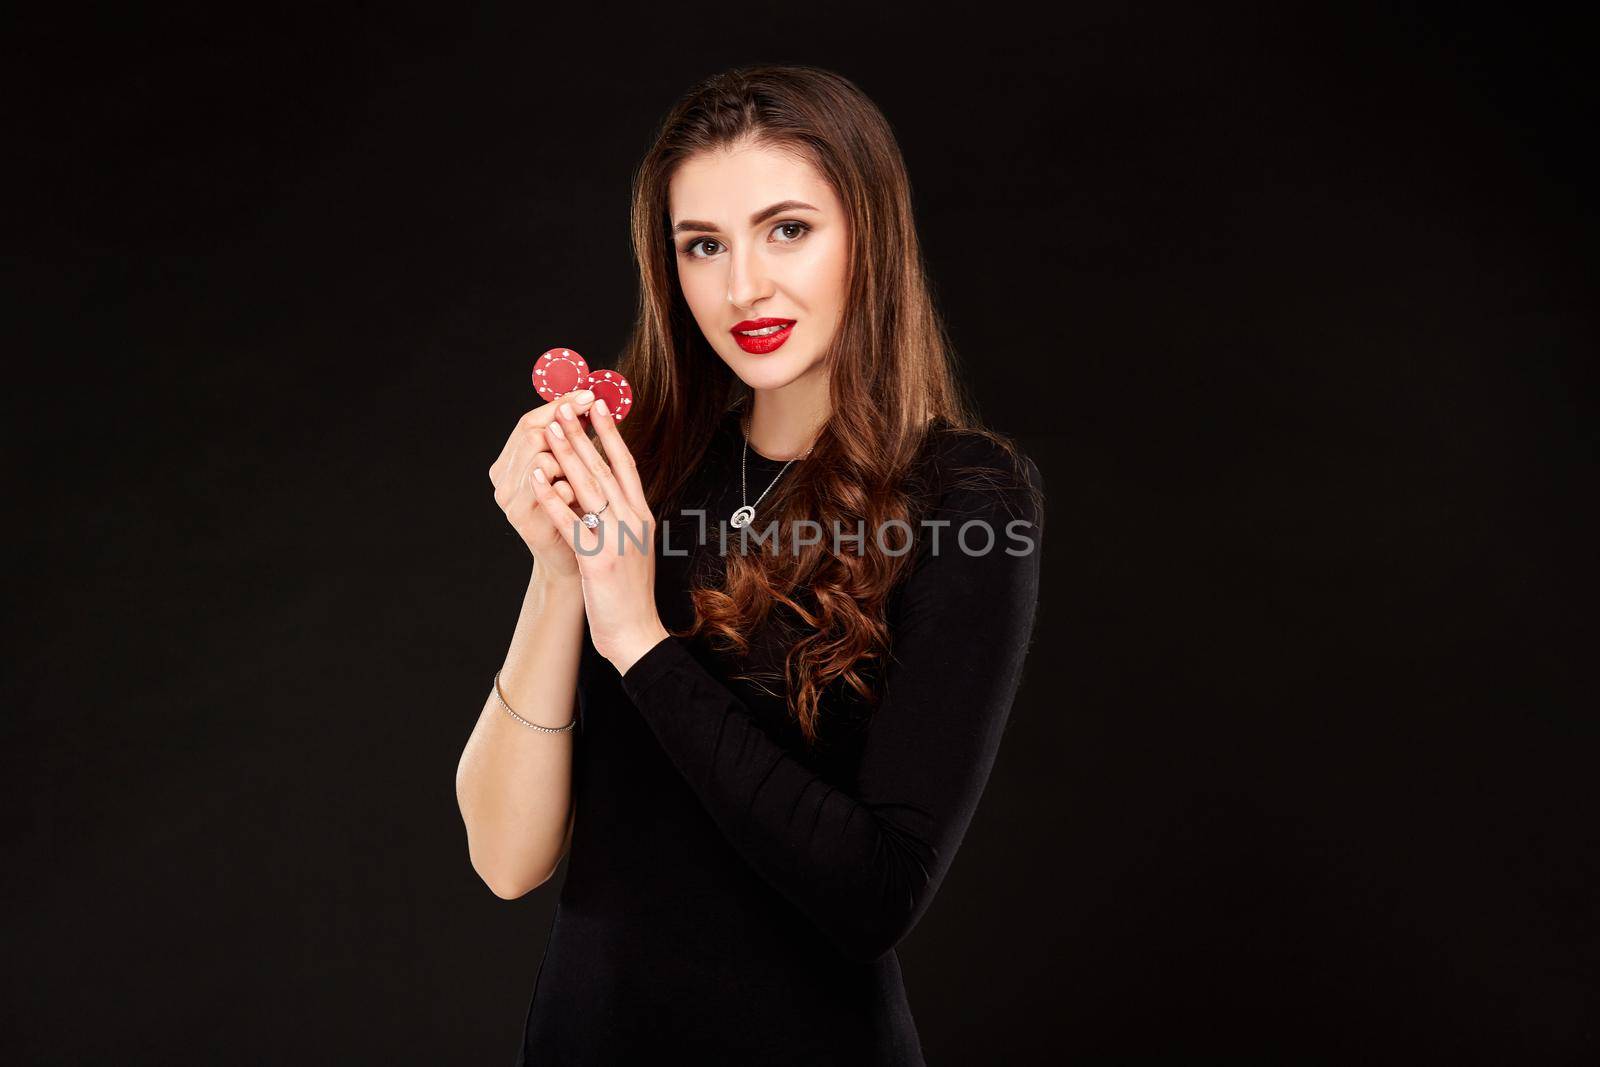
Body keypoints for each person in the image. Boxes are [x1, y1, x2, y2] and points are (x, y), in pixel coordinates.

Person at [456, 65, 1047, 1065]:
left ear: (870, 232)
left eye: (787, 230)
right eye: (703, 245)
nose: (742, 289)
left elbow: (874, 894)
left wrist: (638, 637)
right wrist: (560, 574)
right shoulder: (642, 470)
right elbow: (508, 859)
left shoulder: (965, 496)